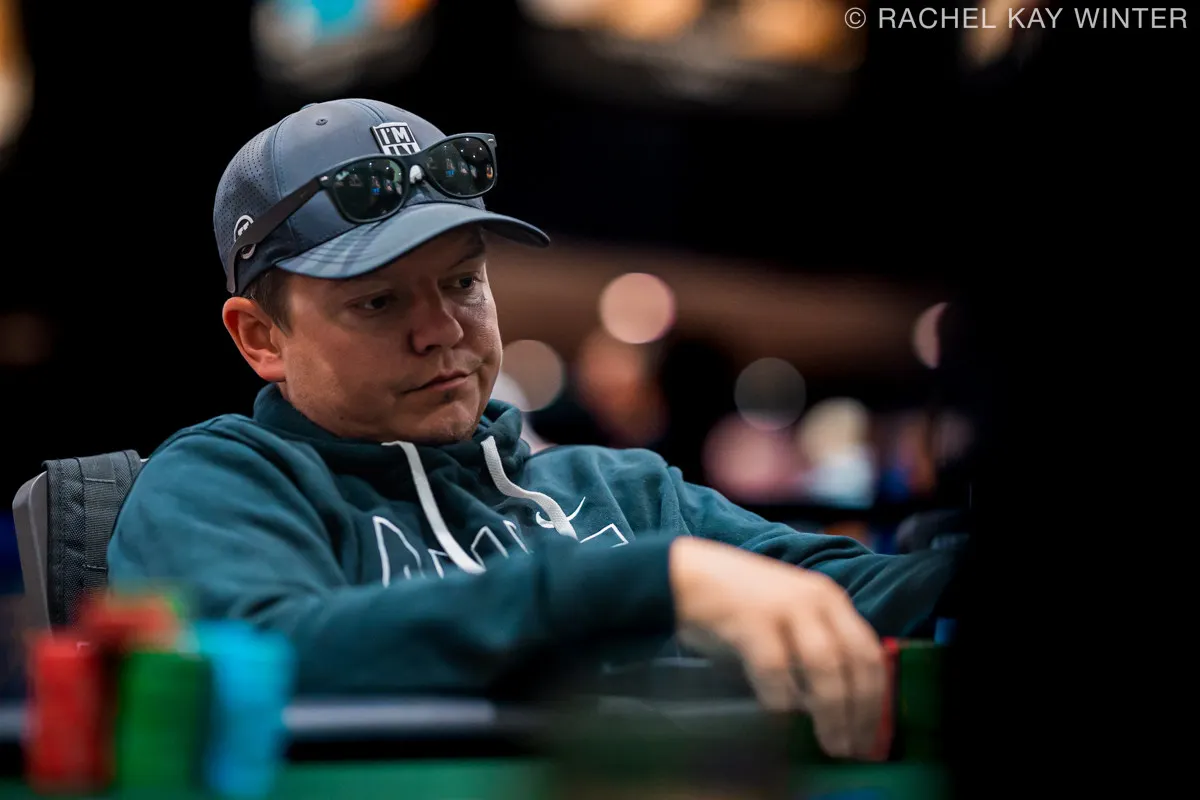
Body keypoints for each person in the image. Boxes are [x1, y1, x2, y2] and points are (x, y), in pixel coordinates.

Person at [107, 99, 961, 762]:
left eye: (463, 282)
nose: (443, 329)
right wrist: (649, 583)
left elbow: (862, 590)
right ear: (261, 336)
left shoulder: (626, 492)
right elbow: (266, 658)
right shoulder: (217, 484)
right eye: (378, 301)